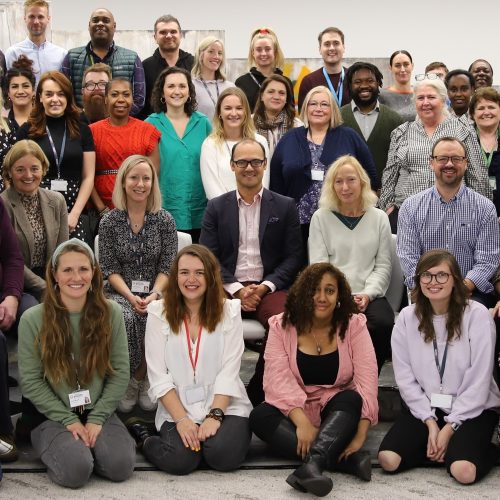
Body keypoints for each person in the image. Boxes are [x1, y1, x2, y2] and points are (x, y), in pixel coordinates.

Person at [250, 263, 378, 496]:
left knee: (351, 398)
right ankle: (342, 461)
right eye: (314, 290)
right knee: (260, 416)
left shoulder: (354, 325)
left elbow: (367, 381)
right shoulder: (281, 325)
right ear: (303, 293)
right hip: (294, 411)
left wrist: (360, 435)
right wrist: (302, 423)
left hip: (336, 412)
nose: (321, 297)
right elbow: (277, 380)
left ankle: (313, 463)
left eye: (329, 290)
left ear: (339, 296)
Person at [18, 238, 135, 488]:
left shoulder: (112, 312)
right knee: (76, 470)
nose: (76, 277)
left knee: (120, 466)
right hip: (50, 415)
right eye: (67, 270)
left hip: (96, 409)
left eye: (83, 269)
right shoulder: (32, 319)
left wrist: (97, 418)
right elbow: (30, 382)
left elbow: (120, 372)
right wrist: (68, 420)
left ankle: (90, 448)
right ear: (55, 275)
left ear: (94, 273)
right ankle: (75, 451)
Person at [378, 250, 500, 485]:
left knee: (464, 472)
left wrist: (450, 427)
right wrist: (430, 422)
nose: (433, 282)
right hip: (428, 406)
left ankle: (485, 448)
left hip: (474, 408)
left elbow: (479, 380)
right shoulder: (406, 318)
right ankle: (442, 448)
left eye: (442, 275)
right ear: (418, 280)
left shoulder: (477, 316)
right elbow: (405, 378)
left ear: (455, 279)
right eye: (427, 275)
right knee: (388, 460)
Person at [200, 138, 303, 406]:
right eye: (242, 162)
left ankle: (259, 392)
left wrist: (266, 286)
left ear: (265, 164)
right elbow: (208, 257)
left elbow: (294, 257)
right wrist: (237, 289)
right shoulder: (216, 207)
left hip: (269, 287)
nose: (249, 167)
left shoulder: (285, 206)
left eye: (256, 161)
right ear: (232, 166)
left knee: (286, 321)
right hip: (226, 288)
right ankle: (213, 391)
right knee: (204, 320)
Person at [140, 244, 252, 474]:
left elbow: (230, 371)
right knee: (181, 461)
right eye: (184, 272)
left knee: (223, 456)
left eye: (199, 273)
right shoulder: (158, 313)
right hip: (178, 406)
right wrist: (182, 420)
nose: (191, 279)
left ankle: (205, 447)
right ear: (175, 277)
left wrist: (215, 416)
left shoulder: (230, 311)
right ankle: (145, 439)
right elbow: (158, 376)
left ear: (210, 276)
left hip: (224, 405)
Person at [98, 155, 177, 413]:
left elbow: (167, 267)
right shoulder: (109, 221)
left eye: (146, 178)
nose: (140, 184)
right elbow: (109, 269)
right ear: (123, 181)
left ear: (153, 183)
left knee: (155, 314)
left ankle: (143, 377)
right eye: (134, 178)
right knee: (126, 315)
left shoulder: (165, 220)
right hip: (118, 291)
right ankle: (125, 379)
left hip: (157, 291)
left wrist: (154, 294)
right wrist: (131, 297)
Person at [309, 155, 393, 372]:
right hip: (332, 294)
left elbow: (383, 266)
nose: (345, 187)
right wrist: (341, 296)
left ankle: (367, 376)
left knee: (383, 323)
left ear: (362, 182)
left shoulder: (379, 218)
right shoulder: (321, 217)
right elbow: (319, 267)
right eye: (338, 181)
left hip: (369, 294)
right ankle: (338, 377)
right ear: (332, 186)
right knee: (332, 324)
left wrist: (367, 294)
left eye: (351, 180)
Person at [397, 137, 500, 309]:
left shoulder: (485, 208)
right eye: (442, 158)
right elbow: (409, 258)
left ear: (466, 163)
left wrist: (463, 287)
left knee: (474, 315)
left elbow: (487, 258)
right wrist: (434, 288)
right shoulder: (410, 208)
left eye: (456, 159)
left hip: (470, 293)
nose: (449, 164)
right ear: (431, 163)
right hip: (427, 292)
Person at [270, 85, 378, 249]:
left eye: (324, 104)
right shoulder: (289, 138)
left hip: (341, 220)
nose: (318, 109)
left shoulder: (349, 136)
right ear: (306, 108)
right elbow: (276, 183)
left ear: (332, 109)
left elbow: (370, 177)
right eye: (313, 104)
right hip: (297, 223)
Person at [378, 78, 491, 233]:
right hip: (407, 215)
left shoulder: (462, 131)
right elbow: (389, 174)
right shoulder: (401, 132)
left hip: (454, 215)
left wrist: (479, 213)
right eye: (420, 98)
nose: (425, 102)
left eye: (431, 97)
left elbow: (477, 175)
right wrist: (388, 209)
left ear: (443, 100)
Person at [16, 71, 95, 242]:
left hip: (74, 212)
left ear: (68, 97)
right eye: (49, 94)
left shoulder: (83, 130)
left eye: (61, 94)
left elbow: (88, 176)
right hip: (35, 209)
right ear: (40, 97)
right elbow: (17, 174)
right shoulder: (26, 131)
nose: (55, 99)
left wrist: (74, 214)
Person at [146, 67, 211, 243]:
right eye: (171, 86)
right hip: (163, 210)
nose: (177, 91)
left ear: (189, 92)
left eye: (182, 86)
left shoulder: (203, 123)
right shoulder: (150, 124)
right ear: (162, 92)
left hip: (200, 211)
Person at [1, 140, 68, 302]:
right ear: (9, 172)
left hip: (52, 280)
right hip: (16, 283)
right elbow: (10, 259)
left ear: (43, 169)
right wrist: (46, 288)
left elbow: (63, 251)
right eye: (20, 170)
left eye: (34, 168)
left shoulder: (57, 200)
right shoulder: (3, 204)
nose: (28, 175)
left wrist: (60, 285)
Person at [90, 78, 161, 218]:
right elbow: (86, 176)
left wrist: (139, 209)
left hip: (139, 209)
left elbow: (152, 175)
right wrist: (102, 209)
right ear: (106, 99)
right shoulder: (91, 132)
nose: (121, 99)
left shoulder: (147, 131)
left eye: (126, 94)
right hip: (100, 211)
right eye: (114, 94)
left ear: (132, 99)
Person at [61, 8, 145, 116]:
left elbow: (139, 99)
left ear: (114, 26)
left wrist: (116, 119)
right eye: (95, 20)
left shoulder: (132, 58)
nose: (100, 24)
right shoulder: (71, 57)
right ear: (89, 26)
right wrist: (82, 119)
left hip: (119, 124)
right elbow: (63, 94)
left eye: (106, 20)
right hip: (81, 124)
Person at [200, 87, 269, 200]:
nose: (233, 113)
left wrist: (250, 205)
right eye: (228, 108)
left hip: (256, 207)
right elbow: (211, 188)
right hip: (222, 209)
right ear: (219, 113)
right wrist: (234, 207)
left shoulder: (260, 141)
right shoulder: (210, 144)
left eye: (239, 108)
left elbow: (264, 183)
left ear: (246, 112)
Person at [340, 62, 404, 183]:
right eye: (357, 82)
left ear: (378, 83)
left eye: (370, 81)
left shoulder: (395, 120)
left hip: (384, 192)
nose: (364, 86)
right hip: (346, 191)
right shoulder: (337, 118)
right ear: (349, 85)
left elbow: (401, 163)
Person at [0, 196, 25, 463]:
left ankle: (33, 418)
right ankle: (3, 427)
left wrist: (11, 296)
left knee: (33, 316)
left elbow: (12, 258)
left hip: (3, 294)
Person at [140, 14, 194, 120]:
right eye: (163, 32)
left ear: (180, 35)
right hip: (154, 127)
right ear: (155, 37)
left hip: (189, 124)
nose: (168, 36)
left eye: (173, 32)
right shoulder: (144, 67)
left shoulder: (194, 64)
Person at [5, 0, 66, 86]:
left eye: (40, 17)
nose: (36, 22)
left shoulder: (61, 54)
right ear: (25, 19)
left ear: (48, 19)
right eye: (31, 17)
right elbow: (11, 86)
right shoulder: (13, 53)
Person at [235, 27, 291, 111]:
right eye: (259, 50)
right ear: (253, 53)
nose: (263, 53)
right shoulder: (241, 82)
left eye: (268, 49)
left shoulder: (286, 82)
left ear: (275, 52)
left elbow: (290, 112)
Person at [298, 27, 350, 112]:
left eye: (336, 43)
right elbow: (303, 115)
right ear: (320, 49)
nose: (332, 48)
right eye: (327, 44)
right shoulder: (309, 81)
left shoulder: (353, 78)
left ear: (343, 47)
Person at [252, 74, 303, 157]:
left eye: (281, 93)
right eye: (271, 92)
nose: (276, 97)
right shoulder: (248, 123)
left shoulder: (297, 126)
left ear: (286, 99)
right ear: (261, 96)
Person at [469, 87, 500, 214]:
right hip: (472, 212)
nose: (486, 112)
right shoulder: (464, 139)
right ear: (472, 114)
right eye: (481, 108)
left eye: (491, 107)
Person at [191, 36, 234, 121]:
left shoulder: (230, 87)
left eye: (220, 53)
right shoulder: (191, 86)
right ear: (201, 55)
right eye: (211, 52)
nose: (216, 56)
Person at [379, 50, 416, 122]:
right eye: (397, 65)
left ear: (412, 66)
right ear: (390, 68)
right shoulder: (380, 95)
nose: (402, 69)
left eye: (406, 64)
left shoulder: (421, 94)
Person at [4, 55, 36, 133]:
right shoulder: (2, 122)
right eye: (15, 87)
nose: (20, 91)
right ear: (8, 92)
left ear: (33, 90)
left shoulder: (44, 120)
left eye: (25, 86)